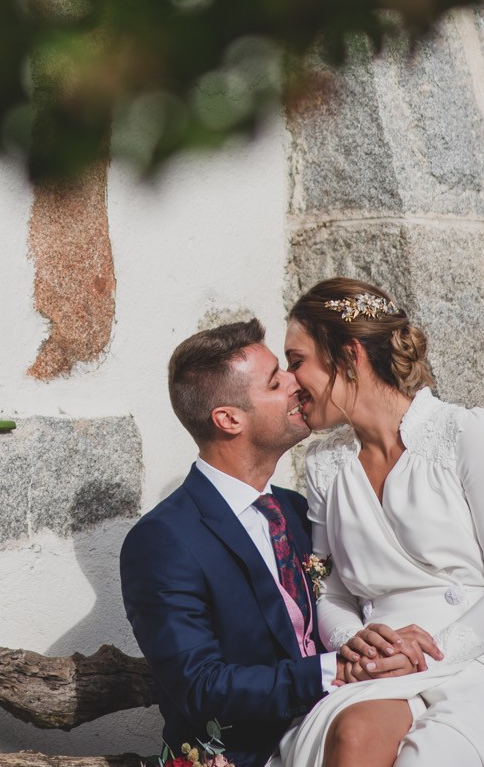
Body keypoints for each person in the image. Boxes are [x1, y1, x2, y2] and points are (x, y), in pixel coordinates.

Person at [274, 277, 484, 767]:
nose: (289, 381)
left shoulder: (463, 432)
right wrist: (354, 642)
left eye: (296, 361)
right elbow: (330, 592)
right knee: (349, 736)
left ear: (348, 356)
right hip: (382, 667)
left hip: (478, 655)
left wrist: (433, 650)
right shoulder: (325, 463)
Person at [120, 319, 417, 767]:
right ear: (229, 419)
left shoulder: (298, 511)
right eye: (276, 382)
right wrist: (334, 669)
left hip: (348, 730)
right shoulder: (162, 541)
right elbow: (201, 686)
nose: (298, 383)